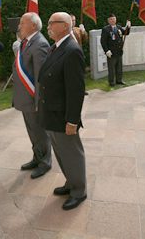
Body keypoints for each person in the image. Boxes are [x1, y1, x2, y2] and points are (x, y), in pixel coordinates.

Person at [39, 12, 87, 210]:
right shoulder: (57, 47)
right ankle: (71, 182)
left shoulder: (72, 50)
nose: (48, 26)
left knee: (72, 154)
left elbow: (76, 91)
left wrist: (72, 121)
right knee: (61, 154)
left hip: (63, 116)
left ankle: (79, 191)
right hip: (52, 113)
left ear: (65, 26)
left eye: (52, 23)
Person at [11, 12, 52, 179]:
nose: (19, 26)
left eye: (23, 22)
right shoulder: (27, 42)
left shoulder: (40, 44)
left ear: (33, 26)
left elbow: (40, 77)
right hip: (25, 98)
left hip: (34, 99)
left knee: (40, 132)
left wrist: (39, 102)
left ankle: (45, 162)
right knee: (32, 131)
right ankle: (37, 157)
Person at [100, 14, 131, 86]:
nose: (113, 20)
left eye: (114, 19)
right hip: (111, 52)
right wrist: (106, 50)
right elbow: (103, 41)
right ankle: (111, 82)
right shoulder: (105, 29)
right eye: (111, 19)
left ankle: (119, 80)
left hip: (119, 51)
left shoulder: (119, 27)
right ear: (108, 20)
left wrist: (128, 27)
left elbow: (126, 33)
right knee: (111, 68)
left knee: (119, 67)